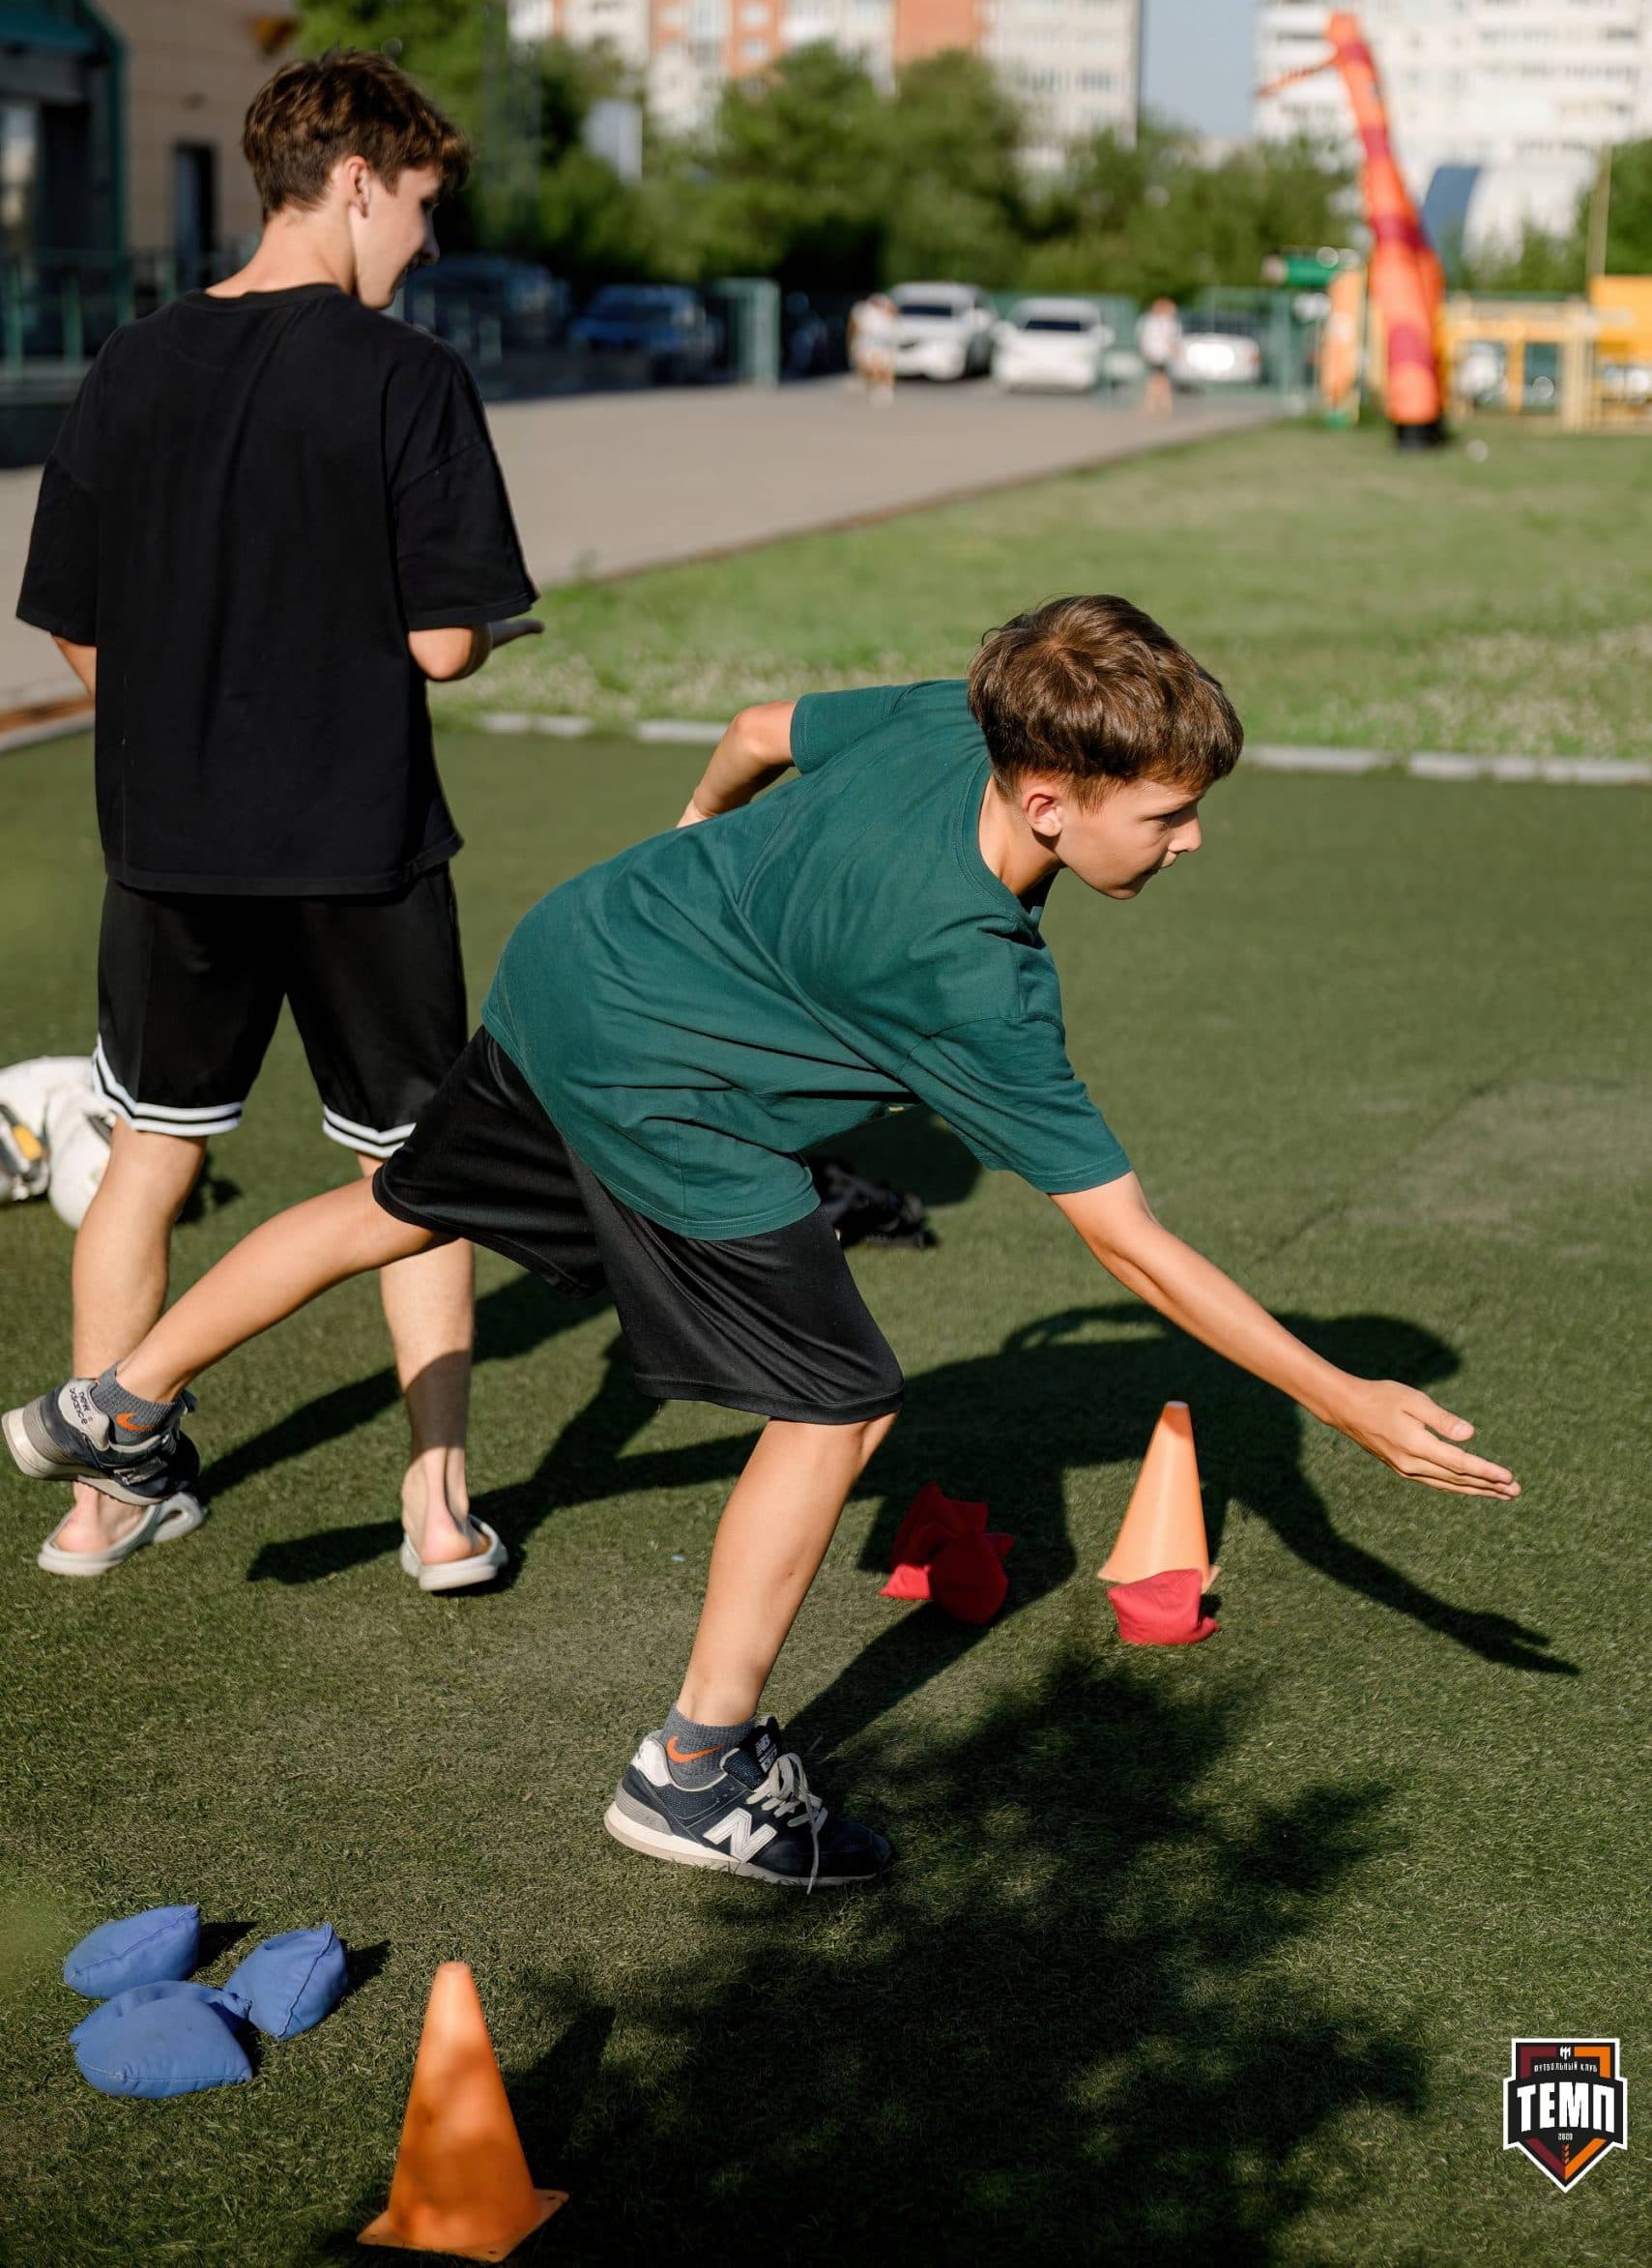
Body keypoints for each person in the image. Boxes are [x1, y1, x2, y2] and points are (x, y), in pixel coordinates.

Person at [4, 599, 1520, 1880]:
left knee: (398, 1206)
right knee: (841, 1402)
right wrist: (1347, 1403)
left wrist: (690, 868)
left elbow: (747, 727)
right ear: (1051, 799)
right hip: (667, 1095)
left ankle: (114, 1407)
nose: (1190, 844)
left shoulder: (958, 719)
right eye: (1171, 815)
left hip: (578, 953)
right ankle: (697, 1769)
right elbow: (1127, 1245)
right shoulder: (974, 975)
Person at [11, 51, 543, 1585]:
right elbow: (446, 638)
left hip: (167, 846)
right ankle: (438, 1512)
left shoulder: (128, 362)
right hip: (359, 849)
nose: (430, 244)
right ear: (361, 180)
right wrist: (498, 631)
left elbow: (81, 631)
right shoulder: (412, 376)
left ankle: (100, 1503)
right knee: (416, 1172)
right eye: (427, 205)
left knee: (146, 1155)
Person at [849, 291, 898, 405]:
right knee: (871, 365)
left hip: (882, 341)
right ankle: (878, 387)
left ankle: (884, 389)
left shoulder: (884, 314)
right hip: (869, 341)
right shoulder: (864, 311)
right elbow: (855, 326)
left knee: (883, 366)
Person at [1136, 296, 1181, 418]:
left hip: (1154, 354)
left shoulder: (1150, 321)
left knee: (1159, 380)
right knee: (1160, 380)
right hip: (1160, 354)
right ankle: (1160, 405)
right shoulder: (1165, 322)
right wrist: (1176, 351)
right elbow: (1168, 339)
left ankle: (1158, 405)